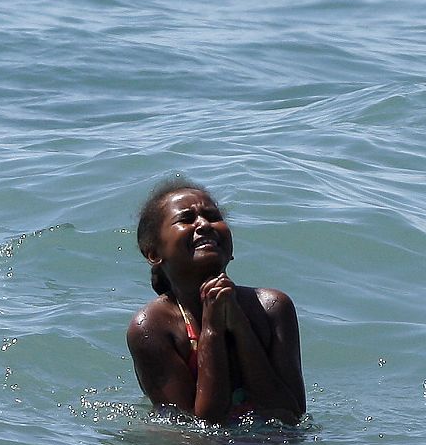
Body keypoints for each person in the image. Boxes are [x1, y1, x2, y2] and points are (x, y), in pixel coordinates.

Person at [127, 178, 305, 425]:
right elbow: (202, 428)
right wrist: (212, 329)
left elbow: (291, 415)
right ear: (154, 253)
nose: (203, 224)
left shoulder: (272, 308)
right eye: (186, 219)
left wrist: (241, 327)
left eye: (212, 216)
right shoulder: (152, 328)